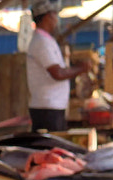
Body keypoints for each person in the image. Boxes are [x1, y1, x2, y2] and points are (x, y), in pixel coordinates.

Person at [27, 0, 91, 133]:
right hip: (47, 107)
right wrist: (81, 68)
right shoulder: (41, 42)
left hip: (51, 106)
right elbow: (58, 73)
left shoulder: (46, 40)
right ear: (47, 17)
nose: (56, 20)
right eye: (54, 15)